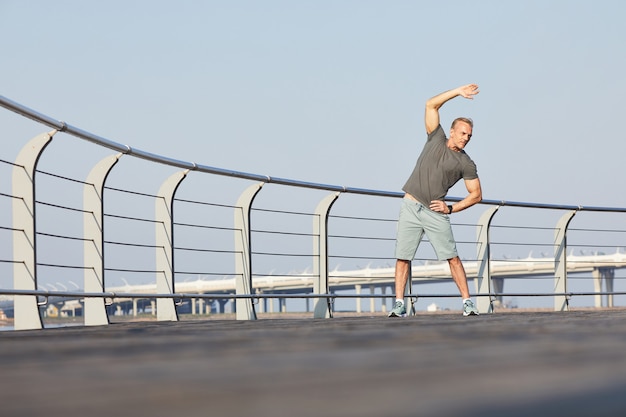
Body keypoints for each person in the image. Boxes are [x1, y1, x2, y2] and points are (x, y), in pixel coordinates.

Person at [389, 83, 482, 317]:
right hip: (411, 205)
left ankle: (468, 303)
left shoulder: (466, 163)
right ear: (452, 131)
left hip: (435, 211)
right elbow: (431, 104)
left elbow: (476, 195)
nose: (466, 138)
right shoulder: (435, 137)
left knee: (453, 258)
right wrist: (458, 92)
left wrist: (450, 208)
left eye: (469, 135)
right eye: (463, 133)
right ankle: (399, 304)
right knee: (403, 257)